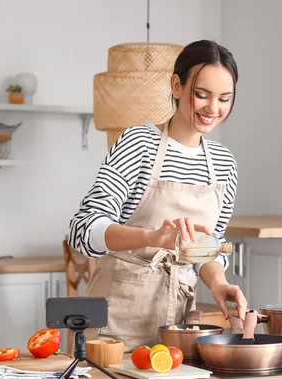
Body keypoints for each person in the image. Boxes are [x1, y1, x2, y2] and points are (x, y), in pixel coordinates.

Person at [67, 39, 247, 351]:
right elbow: (82, 230)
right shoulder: (139, 143)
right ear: (177, 86)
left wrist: (219, 283)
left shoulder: (224, 163)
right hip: (114, 320)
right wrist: (151, 238)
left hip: (177, 328)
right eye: (201, 95)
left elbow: (208, 248)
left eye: (224, 99)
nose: (212, 109)